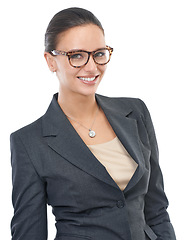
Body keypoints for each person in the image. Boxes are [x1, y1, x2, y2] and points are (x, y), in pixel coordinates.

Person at [10, 7, 176, 240]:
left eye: (99, 53)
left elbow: (157, 210)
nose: (91, 67)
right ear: (50, 61)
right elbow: (29, 233)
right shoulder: (29, 142)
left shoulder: (135, 112)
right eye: (76, 55)